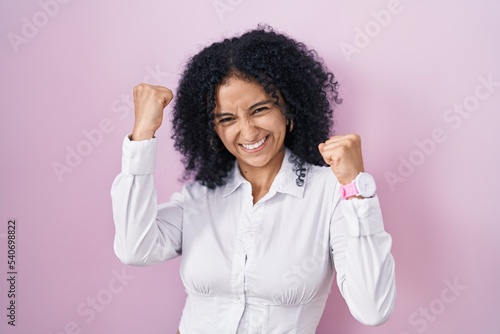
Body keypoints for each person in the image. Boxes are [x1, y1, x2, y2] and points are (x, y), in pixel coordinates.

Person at [111, 25, 396, 333]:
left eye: (259, 110)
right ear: (213, 129)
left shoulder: (331, 193)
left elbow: (373, 308)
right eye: (227, 119)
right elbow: (134, 248)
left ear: (288, 107)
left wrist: (356, 190)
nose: (247, 132)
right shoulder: (200, 196)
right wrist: (142, 137)